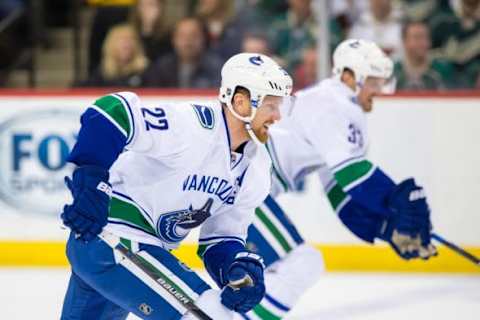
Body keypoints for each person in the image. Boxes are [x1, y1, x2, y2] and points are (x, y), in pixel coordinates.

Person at [60, 53, 293, 319]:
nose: (277, 116)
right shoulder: (192, 125)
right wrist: (90, 184)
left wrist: (237, 267)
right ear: (240, 103)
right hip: (112, 238)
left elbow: (222, 238)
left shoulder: (257, 167)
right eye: (271, 106)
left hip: (129, 250)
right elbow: (112, 111)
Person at [240, 39, 437, 320]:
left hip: (247, 184)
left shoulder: (337, 109)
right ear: (349, 76)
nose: (378, 90)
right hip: (243, 182)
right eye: (373, 81)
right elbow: (352, 175)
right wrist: (399, 203)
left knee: (270, 272)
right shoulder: (332, 105)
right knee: (302, 264)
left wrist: (386, 227)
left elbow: (340, 194)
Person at [142, 17, 222, 88]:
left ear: (204, 39)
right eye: (182, 35)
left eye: (194, 35)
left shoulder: (217, 68)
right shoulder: (161, 68)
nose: (188, 40)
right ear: (173, 40)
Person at [77, 24, 148, 88]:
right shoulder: (102, 73)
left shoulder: (145, 71)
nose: (126, 44)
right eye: (121, 40)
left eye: (130, 40)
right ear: (110, 45)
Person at [394, 20, 455, 90]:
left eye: (426, 38)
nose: (423, 43)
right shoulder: (394, 71)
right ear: (404, 41)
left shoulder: (442, 70)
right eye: (417, 38)